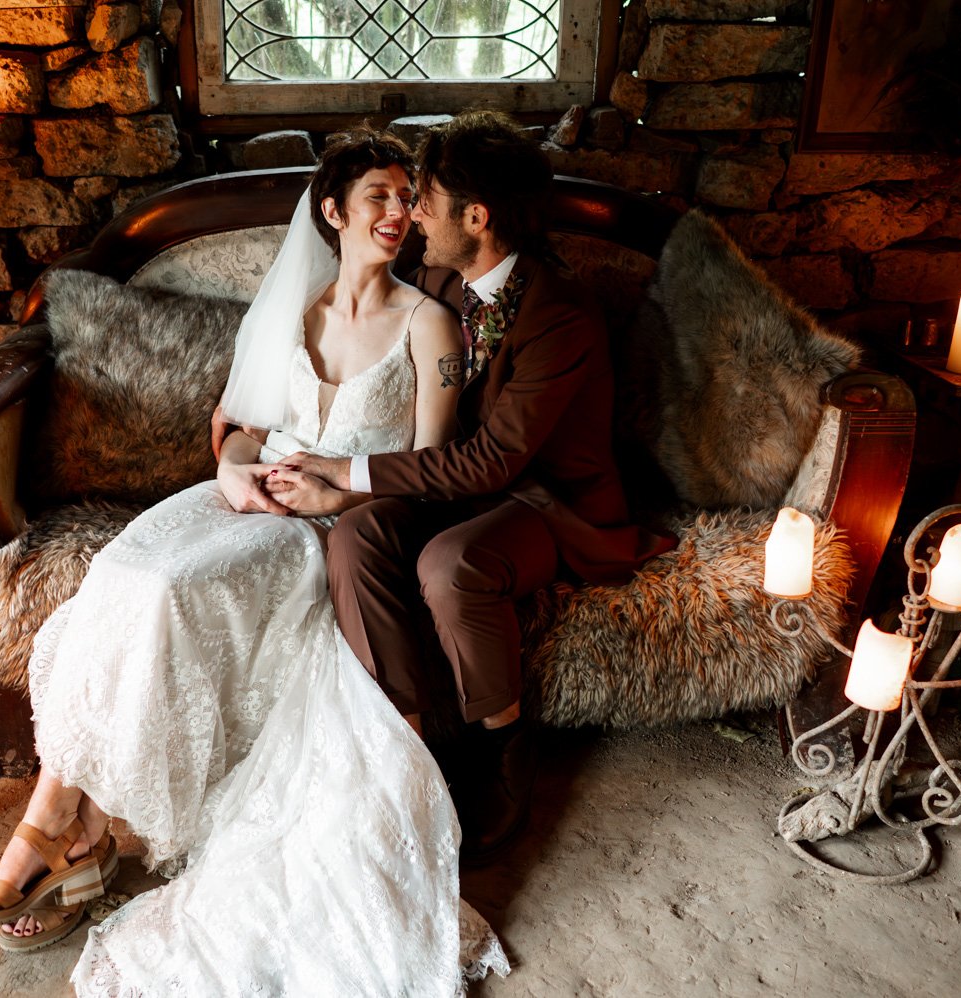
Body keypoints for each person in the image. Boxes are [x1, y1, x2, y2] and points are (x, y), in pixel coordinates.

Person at [0, 128, 509, 995]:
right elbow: (244, 423)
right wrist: (233, 469)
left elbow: (427, 467)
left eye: (406, 198)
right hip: (245, 496)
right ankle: (67, 824)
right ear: (333, 213)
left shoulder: (429, 323)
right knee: (123, 575)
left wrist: (337, 498)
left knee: (171, 588)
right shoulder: (300, 311)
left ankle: (58, 837)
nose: (399, 213)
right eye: (379, 198)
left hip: (326, 525)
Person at [272, 111, 673, 862]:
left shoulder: (560, 313)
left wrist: (345, 474)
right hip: (454, 490)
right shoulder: (434, 281)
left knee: (448, 566)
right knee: (358, 536)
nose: (412, 212)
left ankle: (505, 752)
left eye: (425, 199)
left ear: (476, 217)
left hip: (545, 503)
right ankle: (407, 739)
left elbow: (493, 462)